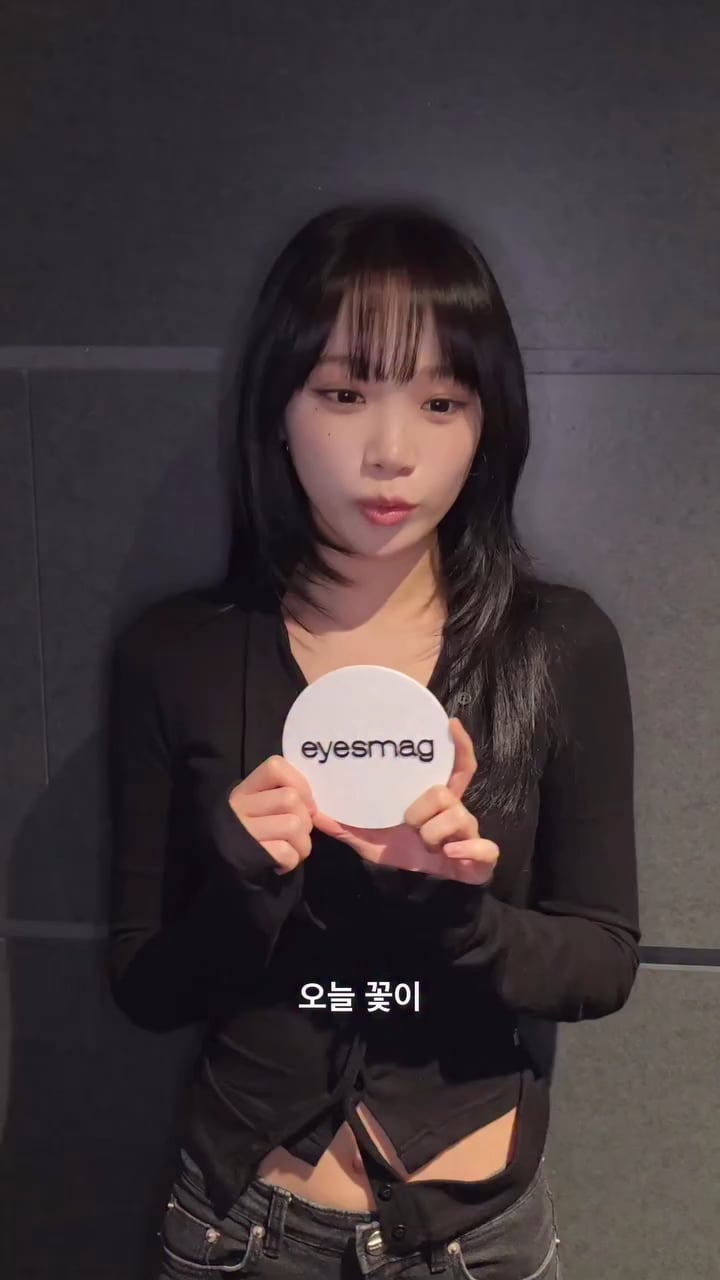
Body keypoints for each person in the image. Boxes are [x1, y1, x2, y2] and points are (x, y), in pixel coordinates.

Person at [106, 199, 641, 1279]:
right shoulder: (178, 653)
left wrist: (459, 912)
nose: (392, 452)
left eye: (441, 401)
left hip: (478, 1236)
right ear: (277, 407)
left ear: (488, 423)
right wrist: (246, 881)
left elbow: (603, 957)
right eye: (344, 393)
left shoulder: (560, 646)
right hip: (239, 1229)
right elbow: (144, 986)